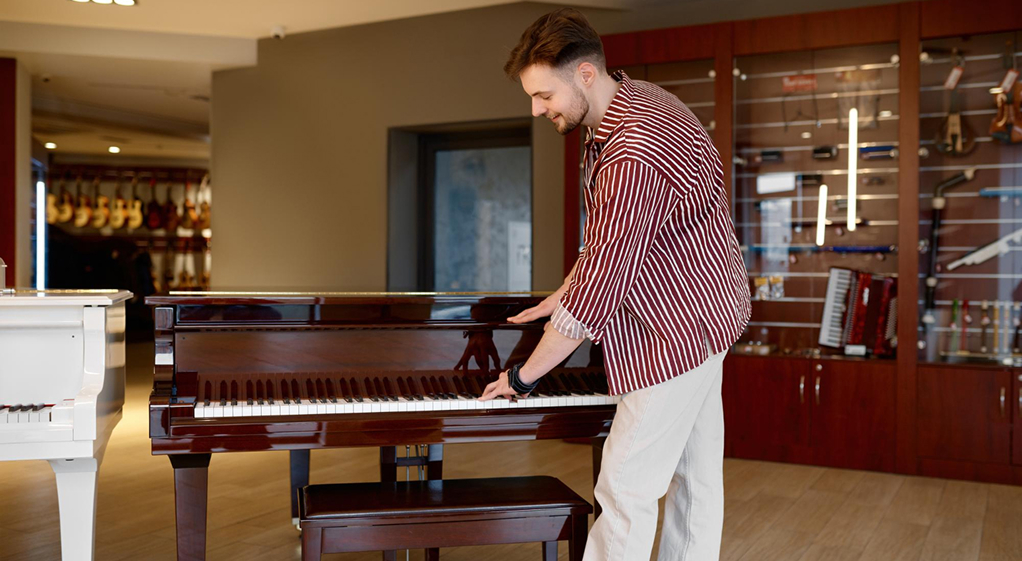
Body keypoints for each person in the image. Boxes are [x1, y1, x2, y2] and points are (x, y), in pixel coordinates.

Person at [478, 8, 752, 561]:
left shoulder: (632, 150)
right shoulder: (633, 102)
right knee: (695, 485)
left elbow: (600, 286)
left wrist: (524, 376)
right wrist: (564, 292)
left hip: (673, 332)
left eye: (543, 94)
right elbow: (618, 241)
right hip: (709, 318)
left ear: (584, 74)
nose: (537, 109)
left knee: (624, 489)